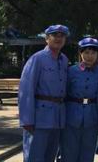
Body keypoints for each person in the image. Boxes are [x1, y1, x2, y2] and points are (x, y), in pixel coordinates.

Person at [18, 24, 70, 162]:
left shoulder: (64, 60)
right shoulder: (37, 58)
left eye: (62, 36)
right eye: (54, 35)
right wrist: (27, 119)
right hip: (39, 118)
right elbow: (26, 89)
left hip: (57, 118)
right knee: (34, 156)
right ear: (47, 38)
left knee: (50, 156)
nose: (58, 38)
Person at [61, 36, 98, 162]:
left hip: (92, 117)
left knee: (88, 153)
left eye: (93, 53)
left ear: (97, 55)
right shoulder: (71, 71)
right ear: (80, 53)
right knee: (69, 152)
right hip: (71, 116)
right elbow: (63, 93)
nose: (90, 56)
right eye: (86, 52)